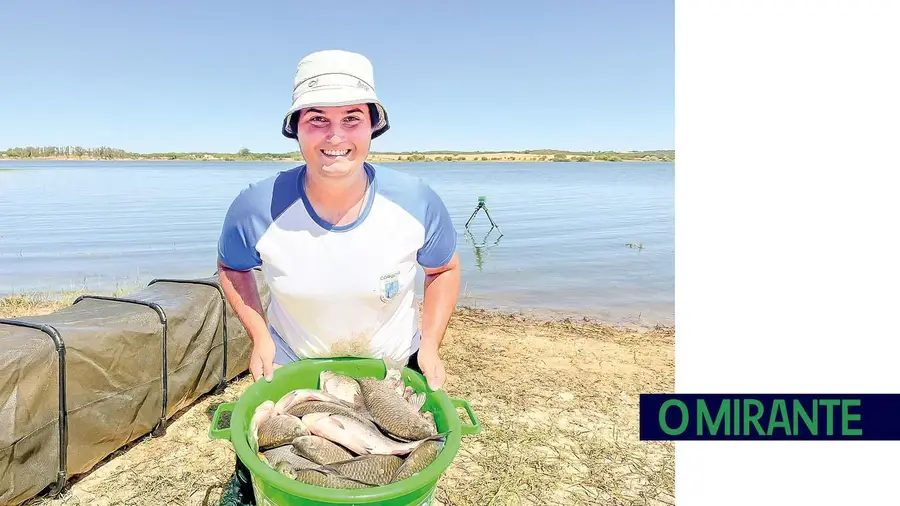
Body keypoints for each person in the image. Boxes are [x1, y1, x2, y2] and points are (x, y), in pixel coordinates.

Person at [214, 49, 461, 505]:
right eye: (317, 119)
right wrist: (259, 338)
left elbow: (442, 268)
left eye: (352, 118)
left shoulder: (416, 202)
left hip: (389, 372)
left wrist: (429, 347)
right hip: (295, 370)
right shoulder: (254, 207)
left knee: (388, 481)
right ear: (296, 128)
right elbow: (233, 266)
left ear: (373, 125)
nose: (336, 136)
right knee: (283, 472)